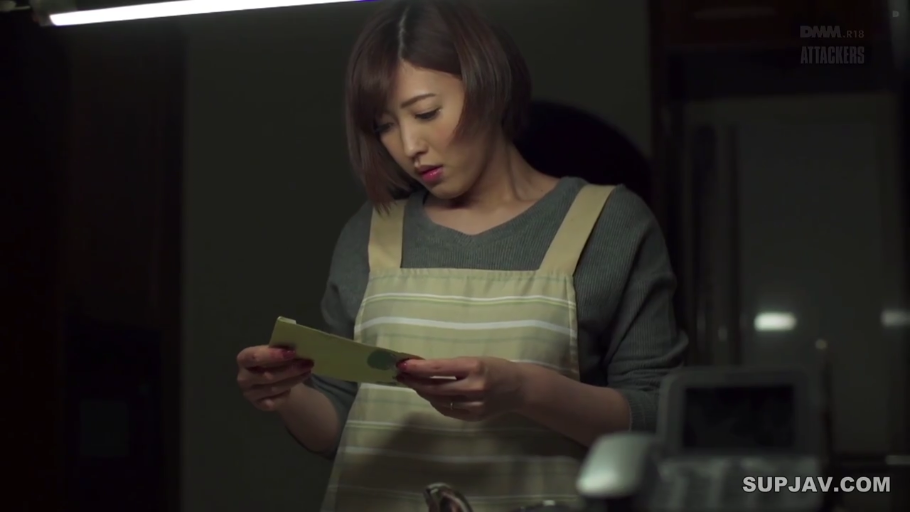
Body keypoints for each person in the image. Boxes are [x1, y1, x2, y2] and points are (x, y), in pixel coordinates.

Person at [235, 0, 687, 510]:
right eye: (384, 126)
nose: (409, 145)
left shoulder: (608, 224)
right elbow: (343, 427)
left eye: (426, 113)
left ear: (488, 85)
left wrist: (525, 390)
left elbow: (659, 418)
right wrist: (286, 395)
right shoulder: (371, 232)